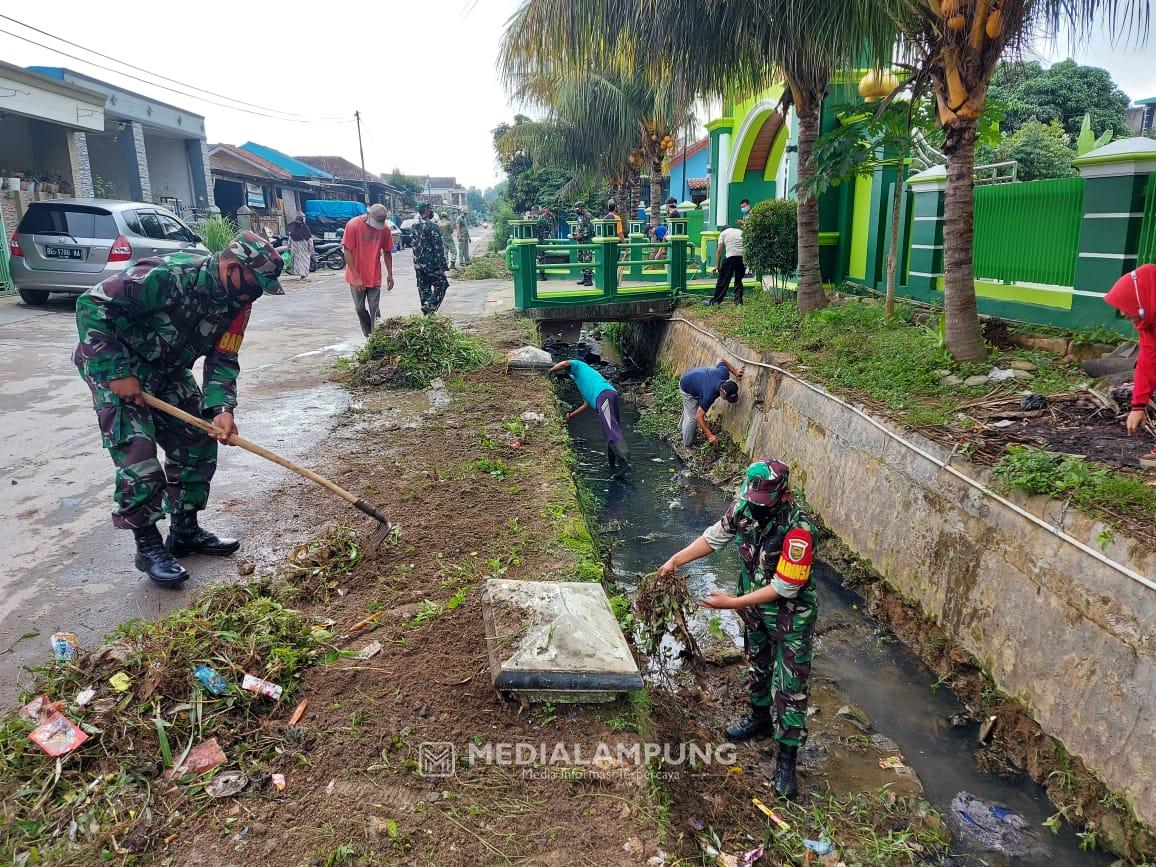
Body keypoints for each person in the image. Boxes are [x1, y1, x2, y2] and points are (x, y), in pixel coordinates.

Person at [73, 231, 285, 587]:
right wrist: (117, 372)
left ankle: (185, 532)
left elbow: (223, 357)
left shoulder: (238, 302)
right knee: (138, 454)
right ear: (232, 269)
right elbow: (92, 304)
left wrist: (222, 407)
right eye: (256, 284)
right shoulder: (169, 276)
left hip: (167, 371)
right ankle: (148, 546)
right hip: (116, 366)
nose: (257, 294)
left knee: (198, 438)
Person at [657, 458, 818, 799]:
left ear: (783, 495)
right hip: (754, 609)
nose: (755, 506)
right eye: (752, 498)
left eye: (763, 502)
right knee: (758, 663)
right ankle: (759, 717)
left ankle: (786, 758)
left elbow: (785, 587)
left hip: (791, 617)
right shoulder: (744, 506)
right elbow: (714, 538)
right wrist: (675, 560)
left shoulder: (799, 530)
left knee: (790, 684)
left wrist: (730, 603)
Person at [549, 358, 631, 476]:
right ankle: (613, 464)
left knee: (610, 429)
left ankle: (624, 463)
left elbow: (565, 363)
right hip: (610, 394)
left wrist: (550, 371)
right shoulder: (581, 380)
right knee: (612, 429)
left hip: (603, 395)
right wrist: (571, 415)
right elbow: (586, 405)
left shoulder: (579, 366)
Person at [1105, 265, 1156, 439]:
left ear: (1140, 299)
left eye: (1126, 303)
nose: (1122, 312)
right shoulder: (1148, 322)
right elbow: (1148, 360)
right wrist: (1138, 406)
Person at [343, 204, 395, 337]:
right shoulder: (353, 225)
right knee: (359, 308)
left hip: (374, 275)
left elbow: (387, 251)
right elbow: (347, 251)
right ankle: (368, 334)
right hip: (356, 275)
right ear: (368, 214)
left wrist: (390, 274)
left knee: (374, 309)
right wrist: (356, 277)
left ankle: (377, 337)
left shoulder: (384, 229)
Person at [678, 358, 744, 446]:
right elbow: (698, 416)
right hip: (686, 386)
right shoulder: (709, 395)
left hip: (695, 377)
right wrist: (710, 435)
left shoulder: (724, 373)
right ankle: (687, 443)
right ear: (722, 392)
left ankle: (681, 427)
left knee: (690, 409)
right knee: (692, 418)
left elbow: (720, 360)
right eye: (727, 398)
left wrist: (735, 371)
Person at [412, 201, 450, 315]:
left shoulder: (414, 226)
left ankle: (428, 315)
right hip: (431, 264)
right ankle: (430, 305)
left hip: (418, 264)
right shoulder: (432, 226)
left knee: (424, 289)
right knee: (442, 284)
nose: (432, 210)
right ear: (426, 210)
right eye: (430, 208)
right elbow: (438, 248)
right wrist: (443, 266)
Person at [707, 219, 746, 306]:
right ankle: (738, 302)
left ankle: (715, 301)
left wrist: (717, 266)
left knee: (723, 281)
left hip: (731, 258)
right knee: (738, 280)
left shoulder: (723, 233)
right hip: (742, 258)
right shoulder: (739, 231)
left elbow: (719, 250)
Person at [572, 203, 594, 286]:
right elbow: (579, 228)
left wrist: (581, 235)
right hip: (580, 242)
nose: (577, 211)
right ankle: (584, 278)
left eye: (578, 209)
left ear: (582, 208)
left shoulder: (588, 216)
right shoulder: (579, 217)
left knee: (587, 259)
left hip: (586, 241)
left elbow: (589, 230)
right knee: (581, 259)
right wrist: (575, 234)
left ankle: (589, 279)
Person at [287, 213, 313, 280]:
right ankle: (301, 274)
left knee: (304, 261)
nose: (298, 222)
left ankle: (303, 274)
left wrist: (310, 247)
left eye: (299, 221)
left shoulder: (305, 229)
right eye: (297, 221)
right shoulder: (294, 229)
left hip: (304, 248)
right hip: (296, 249)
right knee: (297, 262)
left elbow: (309, 239)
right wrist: (288, 246)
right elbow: (290, 238)